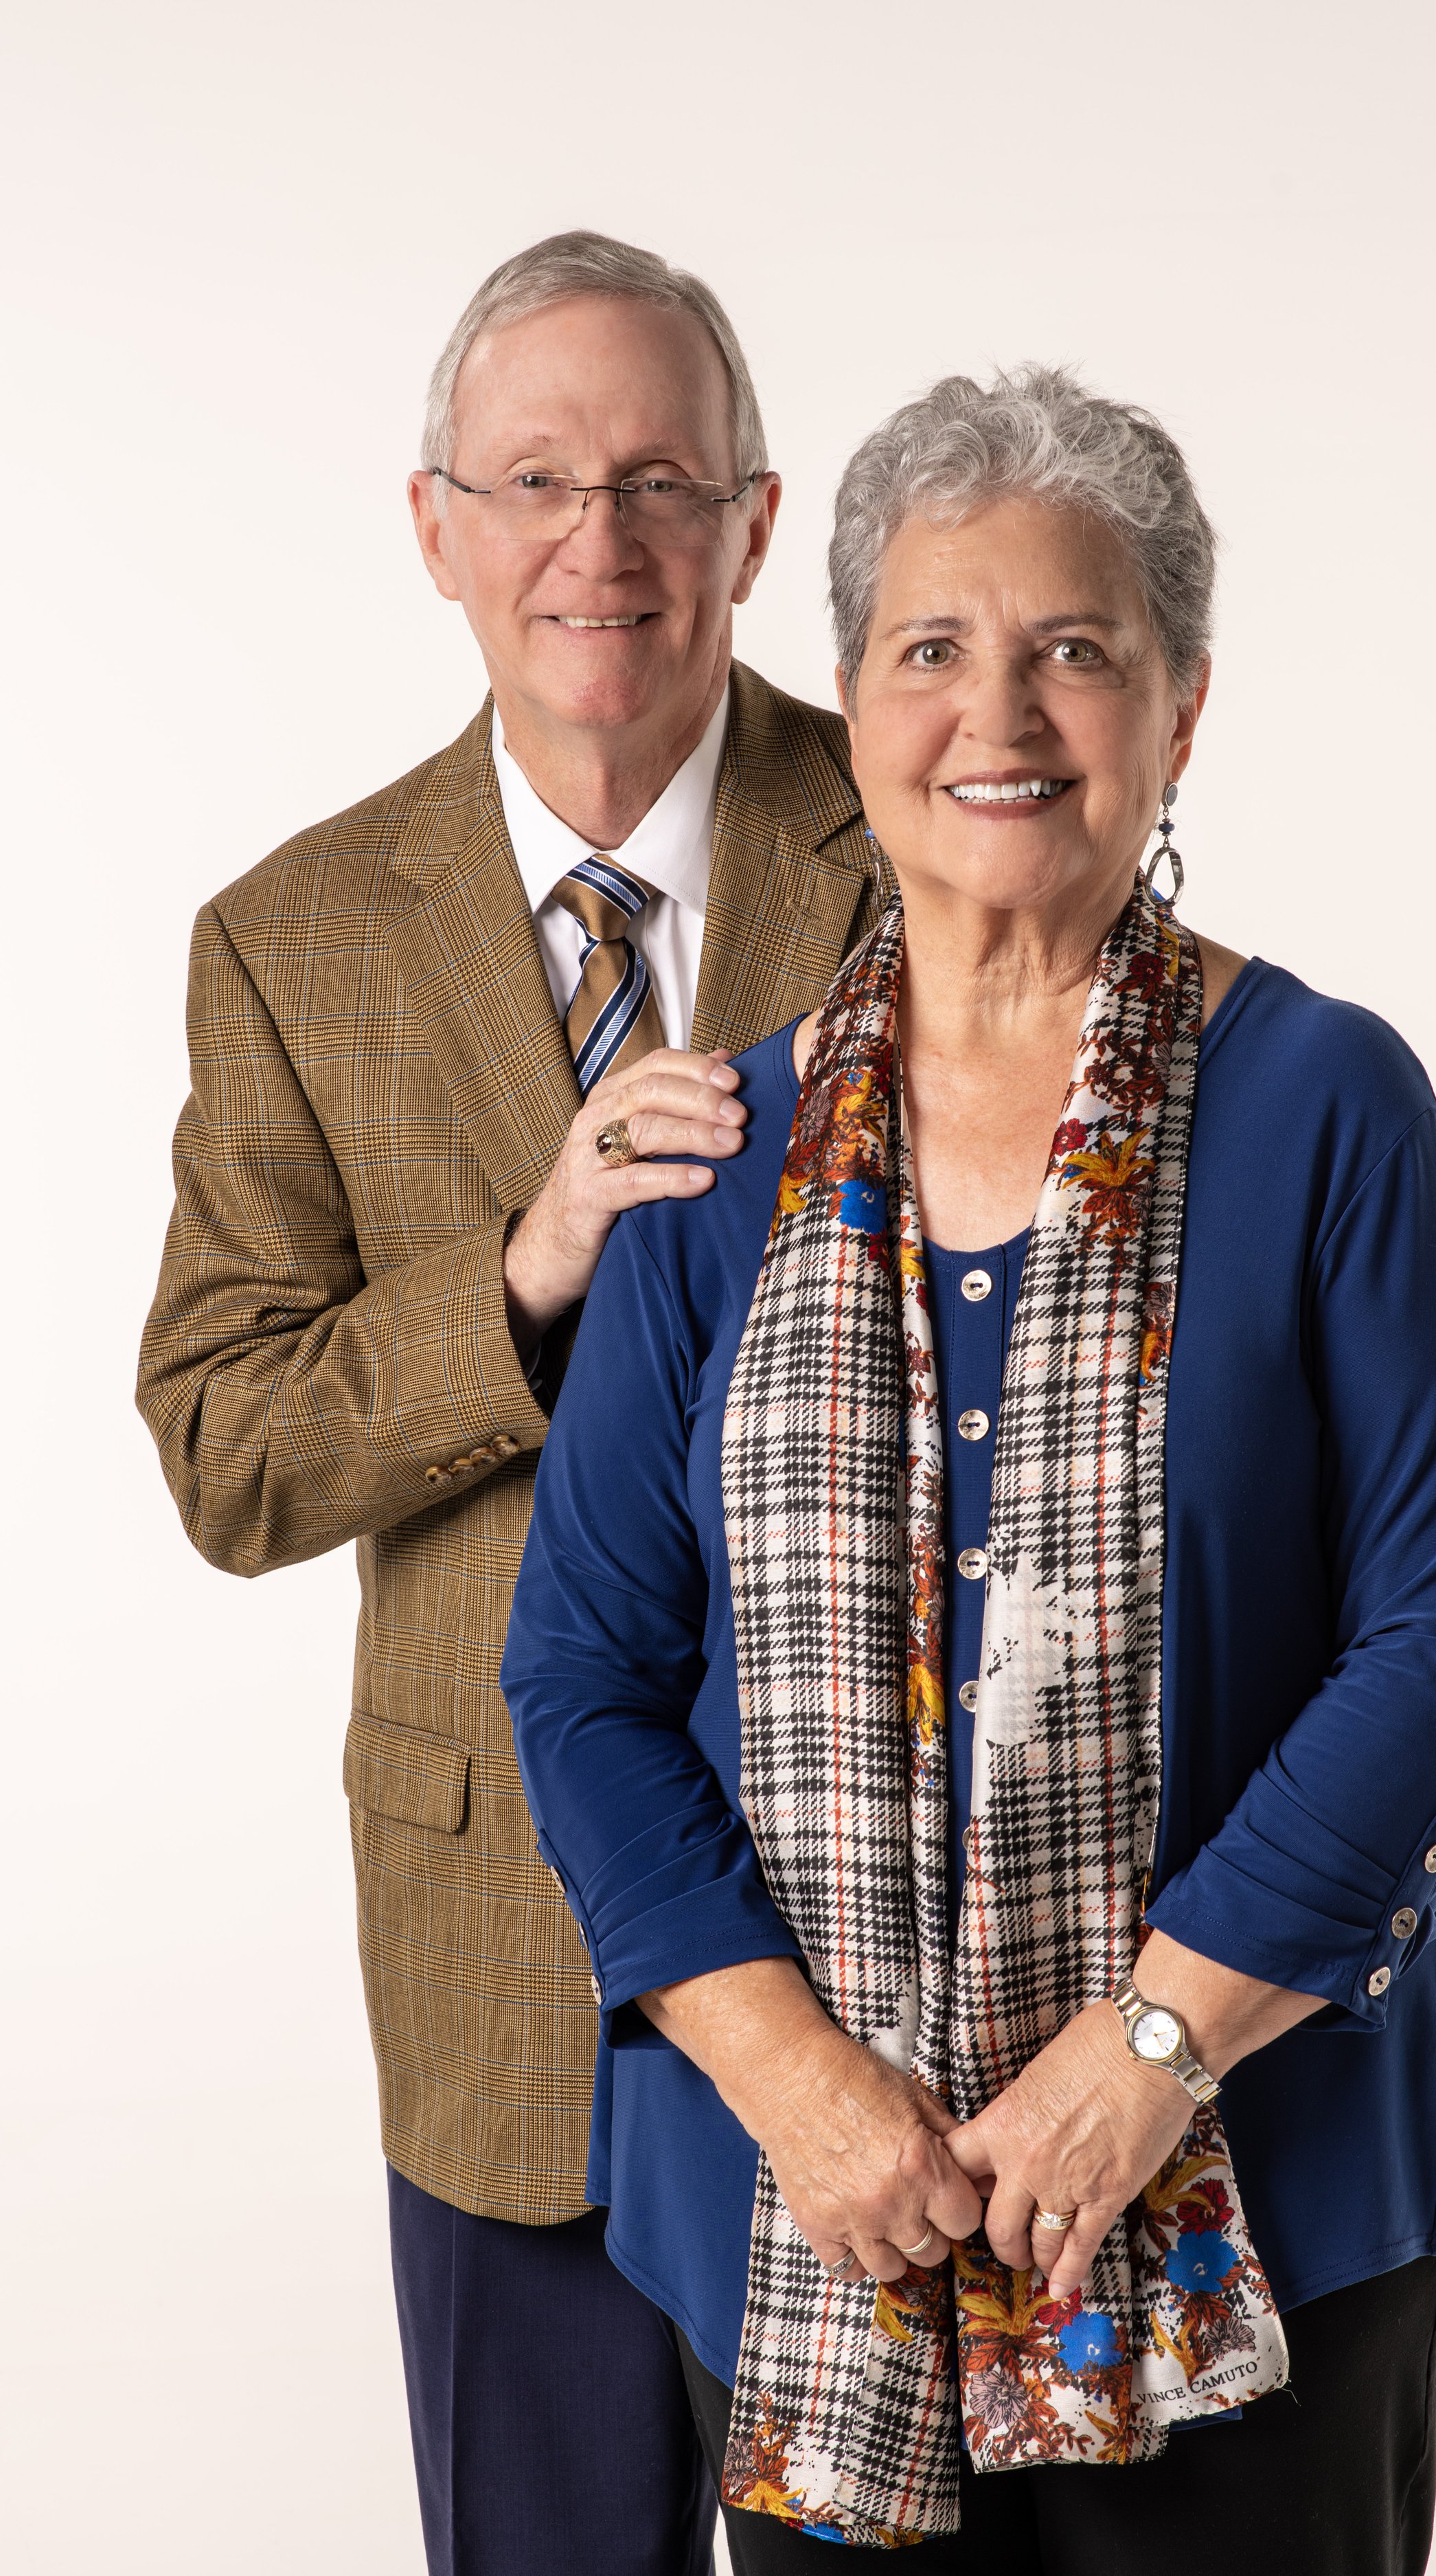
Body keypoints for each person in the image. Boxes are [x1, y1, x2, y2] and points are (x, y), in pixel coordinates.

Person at [499, 365, 1436, 2573]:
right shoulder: (715, 1155)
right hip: (812, 2227)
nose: (1005, 709)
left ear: (1181, 708)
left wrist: (1149, 2048)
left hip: (1254, 2195)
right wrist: (796, 2083)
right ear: (855, 702)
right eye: (934, 647)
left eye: (1078, 647)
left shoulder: (1326, 1103)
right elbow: (581, 1675)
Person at [135, 230, 891, 2576]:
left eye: (660, 481)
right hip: (505, 1971)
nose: (601, 542)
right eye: (536, 480)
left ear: (756, 528)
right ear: (435, 526)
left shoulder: (931, 833)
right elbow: (227, 1449)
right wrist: (525, 1277)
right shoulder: (295, 939)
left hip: (890, 1935)